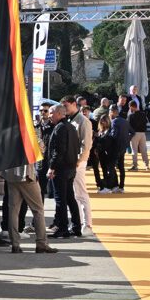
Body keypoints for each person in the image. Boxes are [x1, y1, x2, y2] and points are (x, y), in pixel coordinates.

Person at [48, 99, 83, 240]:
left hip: (61, 169)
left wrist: (52, 167)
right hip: (70, 168)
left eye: (51, 113)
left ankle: (63, 228)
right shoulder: (70, 127)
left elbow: (59, 150)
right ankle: (76, 227)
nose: (49, 115)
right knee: (69, 198)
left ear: (58, 113)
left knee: (61, 199)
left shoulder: (61, 128)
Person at [4, 153, 51, 253]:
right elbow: (37, 152)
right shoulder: (27, 140)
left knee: (13, 210)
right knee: (38, 210)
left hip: (10, 174)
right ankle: (41, 243)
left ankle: (15, 244)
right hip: (26, 174)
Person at [73, 96, 95, 234]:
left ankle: (87, 225)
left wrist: (79, 160)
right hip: (73, 162)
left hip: (78, 162)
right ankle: (79, 222)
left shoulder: (83, 121)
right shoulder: (73, 120)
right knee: (75, 194)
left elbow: (86, 145)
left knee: (81, 193)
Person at [127, 87, 150, 171]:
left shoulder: (131, 116)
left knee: (134, 150)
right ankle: (147, 165)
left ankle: (135, 166)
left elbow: (129, 126)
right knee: (144, 150)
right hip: (142, 133)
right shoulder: (143, 114)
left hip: (134, 134)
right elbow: (146, 123)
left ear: (131, 106)